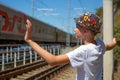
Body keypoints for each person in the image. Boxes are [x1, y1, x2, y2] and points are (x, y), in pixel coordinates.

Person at [24, 12, 117, 80]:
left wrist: (29, 40)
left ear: (85, 31)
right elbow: (109, 46)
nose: (74, 29)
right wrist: (114, 42)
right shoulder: (99, 44)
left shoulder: (83, 51)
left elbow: (52, 61)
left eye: (77, 27)